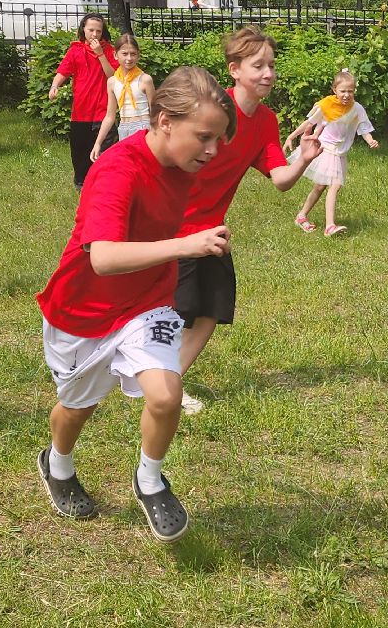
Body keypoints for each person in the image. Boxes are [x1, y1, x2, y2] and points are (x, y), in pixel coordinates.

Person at [35, 67, 238, 539]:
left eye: (219, 139)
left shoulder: (185, 161)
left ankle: (149, 480)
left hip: (147, 301)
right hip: (82, 311)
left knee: (166, 395)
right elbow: (103, 258)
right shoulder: (116, 169)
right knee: (77, 407)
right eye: (204, 137)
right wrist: (186, 245)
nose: (212, 150)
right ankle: (57, 462)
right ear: (164, 120)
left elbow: (245, 118)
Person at [173, 26, 322, 414]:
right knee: (174, 311)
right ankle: (149, 379)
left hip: (210, 229)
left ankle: (168, 381)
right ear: (234, 69)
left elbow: (281, 182)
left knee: (212, 309)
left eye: (272, 65)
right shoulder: (210, 111)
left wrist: (304, 158)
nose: (269, 73)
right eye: (258, 65)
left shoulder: (265, 122)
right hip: (171, 226)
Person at [283, 68, 379, 237]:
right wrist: (291, 136)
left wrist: (370, 140)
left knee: (320, 186)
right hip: (325, 149)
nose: (346, 95)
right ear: (334, 90)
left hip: (340, 152)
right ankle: (330, 226)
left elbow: (363, 128)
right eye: (342, 91)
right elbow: (309, 123)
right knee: (335, 185)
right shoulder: (326, 105)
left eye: (350, 91)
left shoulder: (357, 108)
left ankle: (301, 216)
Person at [48, 14, 118, 189]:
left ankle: (104, 183)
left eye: (98, 31)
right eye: (91, 30)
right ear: (83, 30)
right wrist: (55, 85)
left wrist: (100, 54)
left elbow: (113, 76)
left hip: (103, 110)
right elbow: (63, 71)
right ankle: (81, 183)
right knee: (80, 150)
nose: (94, 34)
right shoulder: (75, 50)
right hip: (81, 111)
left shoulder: (109, 50)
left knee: (106, 149)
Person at [91, 33, 156, 160]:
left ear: (138, 55)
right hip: (124, 127)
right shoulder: (112, 82)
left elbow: (155, 110)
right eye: (125, 54)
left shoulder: (145, 79)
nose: (129, 58)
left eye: (133, 54)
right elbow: (110, 116)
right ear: (116, 55)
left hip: (143, 127)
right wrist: (98, 143)